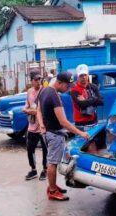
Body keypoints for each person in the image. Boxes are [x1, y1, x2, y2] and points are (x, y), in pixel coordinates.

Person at [37, 72, 90, 201]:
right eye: (67, 85)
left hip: (48, 132)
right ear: (59, 83)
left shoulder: (45, 90)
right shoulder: (54, 96)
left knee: (52, 161)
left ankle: (53, 185)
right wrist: (80, 133)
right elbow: (63, 122)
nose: (69, 88)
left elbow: (38, 109)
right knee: (53, 163)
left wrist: (42, 125)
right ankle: (53, 191)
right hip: (54, 134)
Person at [22, 70, 48, 181]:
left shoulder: (45, 91)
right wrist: (26, 109)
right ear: (31, 81)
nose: (38, 81)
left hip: (43, 127)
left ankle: (45, 170)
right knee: (29, 149)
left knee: (45, 150)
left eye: (39, 79)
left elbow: (43, 109)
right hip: (32, 126)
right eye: (36, 79)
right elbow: (26, 106)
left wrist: (33, 111)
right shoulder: (29, 92)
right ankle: (33, 170)